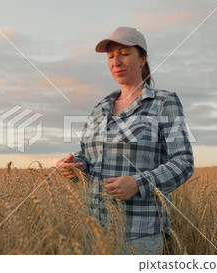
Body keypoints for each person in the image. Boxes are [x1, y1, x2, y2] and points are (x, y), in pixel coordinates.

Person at [56, 26, 194, 254]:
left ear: (142, 59)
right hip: (95, 232)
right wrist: (73, 167)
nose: (116, 61)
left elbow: (184, 162)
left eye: (124, 53)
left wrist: (139, 183)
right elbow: (87, 157)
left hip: (140, 235)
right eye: (110, 56)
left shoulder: (163, 102)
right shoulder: (100, 108)